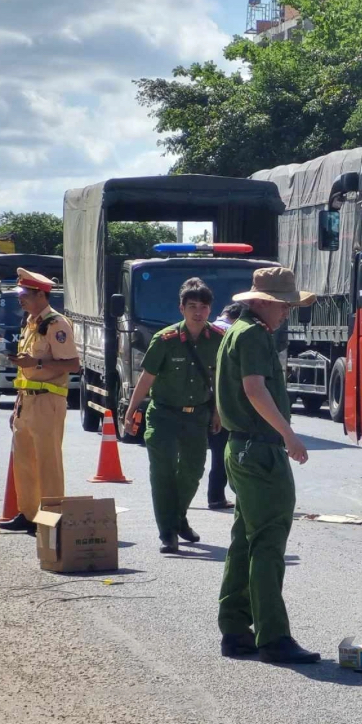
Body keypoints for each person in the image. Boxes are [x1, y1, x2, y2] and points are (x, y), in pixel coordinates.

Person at [215, 266, 320, 664]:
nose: (286, 313)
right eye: (283, 305)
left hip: (243, 448)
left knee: (246, 539)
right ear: (261, 303)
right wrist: (288, 435)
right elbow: (254, 389)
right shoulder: (255, 335)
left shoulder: (236, 332)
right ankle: (273, 637)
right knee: (268, 542)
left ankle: (236, 629)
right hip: (259, 451)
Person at [123, 278, 222, 554]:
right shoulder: (165, 340)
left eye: (203, 307)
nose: (198, 312)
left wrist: (217, 412)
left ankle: (178, 518)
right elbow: (146, 378)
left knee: (192, 471)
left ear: (210, 310)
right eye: (192, 306)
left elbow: (219, 380)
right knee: (163, 473)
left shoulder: (217, 339)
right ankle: (168, 532)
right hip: (163, 415)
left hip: (197, 417)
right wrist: (131, 410)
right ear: (181, 308)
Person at [0, 269, 79, 533]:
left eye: (25, 294)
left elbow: (73, 365)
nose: (20, 299)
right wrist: (17, 405)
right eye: (20, 294)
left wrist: (37, 362)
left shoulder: (56, 324)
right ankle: (29, 514)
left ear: (41, 295)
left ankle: (51, 517)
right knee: (24, 462)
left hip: (48, 401)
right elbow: (25, 370)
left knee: (47, 462)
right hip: (27, 401)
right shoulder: (30, 323)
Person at [205, 303, 244, 510]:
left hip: (201, 400)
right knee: (223, 452)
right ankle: (217, 497)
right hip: (222, 403)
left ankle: (214, 495)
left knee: (215, 452)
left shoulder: (209, 329)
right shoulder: (231, 333)